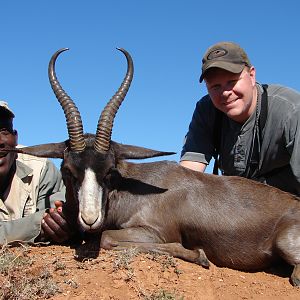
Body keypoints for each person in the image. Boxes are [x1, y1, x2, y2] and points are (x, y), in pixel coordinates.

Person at [180, 41, 300, 196]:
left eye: (232, 82)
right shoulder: (206, 110)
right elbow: (187, 174)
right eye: (215, 86)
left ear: (251, 75)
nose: (225, 93)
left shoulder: (290, 110)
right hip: (239, 207)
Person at [0, 101, 74, 244]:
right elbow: (41, 223)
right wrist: (35, 225)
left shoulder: (41, 168)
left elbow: (58, 214)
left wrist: (59, 221)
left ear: (15, 138)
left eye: (3, 131)